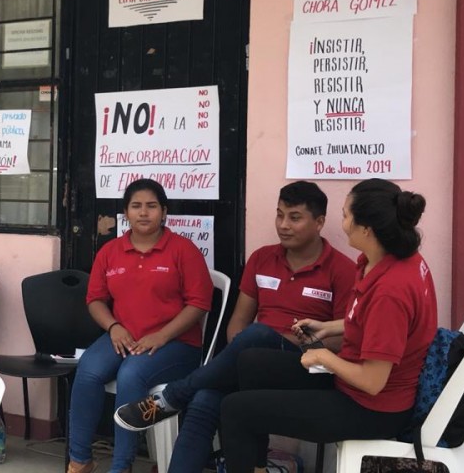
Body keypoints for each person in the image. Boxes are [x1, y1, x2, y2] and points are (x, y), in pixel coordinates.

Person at [114, 180, 356, 472]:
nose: (283, 225)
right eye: (279, 215)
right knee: (205, 399)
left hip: (307, 366)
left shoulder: (342, 270)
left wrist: (272, 343)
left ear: (319, 222)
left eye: (294, 217)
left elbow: (341, 341)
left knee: (257, 335)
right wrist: (247, 356)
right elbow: (237, 323)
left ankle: (174, 396)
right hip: (252, 361)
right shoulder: (262, 259)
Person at [219, 178, 438, 473]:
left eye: (346, 215)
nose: (342, 222)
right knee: (251, 362)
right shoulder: (393, 259)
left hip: (371, 408)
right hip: (353, 380)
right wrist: (332, 327)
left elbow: (373, 382)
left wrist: (325, 357)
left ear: (366, 230)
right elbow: (380, 325)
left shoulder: (391, 290)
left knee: (235, 411)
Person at [67, 178, 214, 473]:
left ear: (164, 212)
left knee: (131, 375)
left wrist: (161, 335)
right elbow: (95, 299)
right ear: (126, 213)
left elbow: (199, 303)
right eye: (136, 206)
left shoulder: (183, 250)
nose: (144, 213)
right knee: (88, 372)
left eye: (151, 206)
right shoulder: (111, 251)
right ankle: (80, 460)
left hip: (176, 343)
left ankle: (122, 465)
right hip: (123, 336)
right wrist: (113, 326)